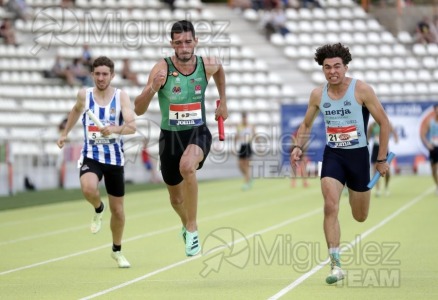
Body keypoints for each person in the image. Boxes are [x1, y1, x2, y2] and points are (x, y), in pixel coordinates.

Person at [290, 43, 391, 284]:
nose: (332, 71)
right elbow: (306, 124)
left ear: (345, 67)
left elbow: (384, 123)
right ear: (322, 69)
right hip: (333, 155)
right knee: (330, 205)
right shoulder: (317, 94)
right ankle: (335, 265)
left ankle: (355, 195)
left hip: (358, 157)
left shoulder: (362, 90)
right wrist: (297, 146)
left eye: (337, 66)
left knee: (360, 216)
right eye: (327, 67)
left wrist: (381, 159)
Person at [134, 20, 228, 257]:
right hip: (170, 138)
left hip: (198, 132)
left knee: (188, 167)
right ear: (172, 44)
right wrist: (152, 89)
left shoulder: (207, 64)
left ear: (196, 41)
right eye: (179, 43)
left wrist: (223, 100)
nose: (184, 47)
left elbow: (220, 71)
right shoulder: (161, 69)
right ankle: (186, 225)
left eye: (188, 41)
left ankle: (193, 229)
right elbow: (138, 110)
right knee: (176, 199)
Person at [57, 56, 136, 268]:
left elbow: (132, 127)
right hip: (92, 155)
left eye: (105, 74)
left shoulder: (121, 97)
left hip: (114, 159)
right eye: (97, 74)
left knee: (118, 211)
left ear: (112, 75)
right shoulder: (85, 95)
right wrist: (65, 134)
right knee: (88, 188)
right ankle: (98, 208)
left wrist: (114, 129)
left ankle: (117, 250)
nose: (101, 78)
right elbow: (75, 111)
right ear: (92, 74)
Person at [367, 121, 399, 197]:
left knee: (387, 171)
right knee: (375, 170)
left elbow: (394, 132)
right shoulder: (372, 125)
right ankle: (378, 189)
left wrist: (395, 138)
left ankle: (386, 187)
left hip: (384, 148)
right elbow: (367, 136)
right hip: (376, 148)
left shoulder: (387, 123)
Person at [420, 104, 438, 195]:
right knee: (434, 170)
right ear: (434, 110)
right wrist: (427, 144)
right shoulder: (430, 121)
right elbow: (422, 134)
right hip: (433, 147)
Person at [235, 112, 255, 190]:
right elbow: (237, 136)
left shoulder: (250, 126)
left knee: (246, 165)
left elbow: (254, 135)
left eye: (245, 118)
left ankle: (247, 183)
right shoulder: (239, 126)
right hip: (242, 146)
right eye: (243, 118)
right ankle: (248, 177)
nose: (244, 119)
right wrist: (234, 145)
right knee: (240, 164)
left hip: (248, 145)